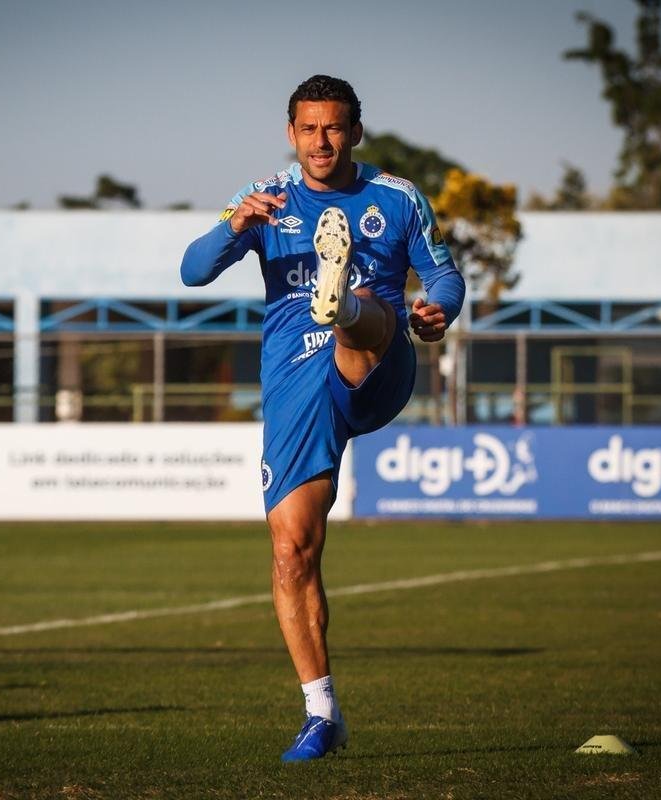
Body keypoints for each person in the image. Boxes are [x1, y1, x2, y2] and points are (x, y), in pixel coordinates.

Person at [179, 74, 465, 761]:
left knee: (357, 318)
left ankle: (341, 305)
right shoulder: (265, 200)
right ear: (290, 134)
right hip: (293, 390)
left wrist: (438, 310)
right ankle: (321, 714)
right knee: (291, 552)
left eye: (333, 128)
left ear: (355, 132)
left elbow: (446, 276)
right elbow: (192, 272)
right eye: (307, 129)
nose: (320, 141)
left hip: (378, 359)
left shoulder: (395, 198)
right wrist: (234, 226)